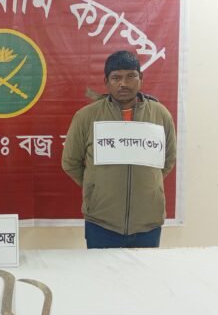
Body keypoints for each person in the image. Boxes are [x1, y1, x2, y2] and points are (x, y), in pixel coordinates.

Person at [61, 51, 176, 249]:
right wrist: (96, 185)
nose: (124, 83)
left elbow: (168, 160)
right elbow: (70, 162)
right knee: (102, 270)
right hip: (101, 223)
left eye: (131, 76)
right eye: (116, 78)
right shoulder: (86, 116)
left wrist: (146, 184)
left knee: (145, 270)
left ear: (141, 78)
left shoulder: (160, 114)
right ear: (106, 81)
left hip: (148, 222)